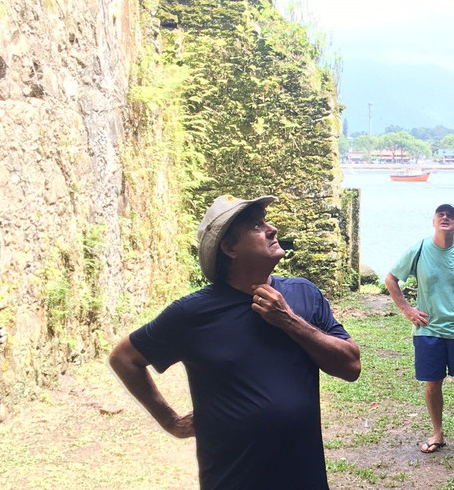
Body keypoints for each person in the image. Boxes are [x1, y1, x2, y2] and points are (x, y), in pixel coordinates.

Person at [109, 194, 361, 490]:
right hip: (232, 478)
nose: (272, 229)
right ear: (229, 248)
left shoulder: (303, 294)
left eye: (266, 221)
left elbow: (351, 366)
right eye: (256, 226)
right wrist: (171, 422)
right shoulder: (193, 313)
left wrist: (289, 321)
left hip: (304, 478)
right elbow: (124, 358)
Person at [385, 202, 454, 455]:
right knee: (433, 383)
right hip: (428, 329)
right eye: (440, 214)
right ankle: (437, 432)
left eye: (451, 215)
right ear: (434, 221)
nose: (445, 217)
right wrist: (407, 309)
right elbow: (391, 278)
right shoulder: (420, 248)